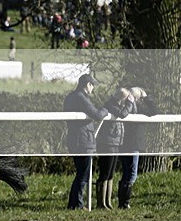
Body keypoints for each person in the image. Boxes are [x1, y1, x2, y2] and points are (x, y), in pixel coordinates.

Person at [63, 73, 109, 209]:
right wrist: (106, 110)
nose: (93, 88)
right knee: (83, 174)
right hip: (83, 140)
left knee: (81, 173)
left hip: (74, 138)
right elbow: (97, 115)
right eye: (92, 85)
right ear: (87, 85)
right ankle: (76, 204)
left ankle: (75, 203)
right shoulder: (81, 98)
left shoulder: (70, 96)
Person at [118, 87, 158, 209]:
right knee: (132, 174)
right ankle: (125, 203)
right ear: (137, 98)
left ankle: (122, 202)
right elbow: (154, 111)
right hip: (134, 144)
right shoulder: (139, 109)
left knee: (126, 173)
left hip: (124, 144)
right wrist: (146, 98)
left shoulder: (124, 107)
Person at [95, 88, 133, 209]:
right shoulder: (111, 105)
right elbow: (123, 114)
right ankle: (101, 203)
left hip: (116, 142)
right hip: (108, 143)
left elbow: (131, 111)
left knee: (111, 173)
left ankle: (108, 202)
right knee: (105, 172)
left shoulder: (117, 105)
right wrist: (130, 103)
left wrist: (132, 104)